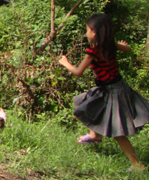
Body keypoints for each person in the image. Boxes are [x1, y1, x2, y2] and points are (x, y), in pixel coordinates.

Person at [58, 13, 149, 171]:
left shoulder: (92, 52)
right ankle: (95, 136)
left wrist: (65, 63)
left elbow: (78, 71)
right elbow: (127, 49)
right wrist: (122, 44)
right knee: (87, 102)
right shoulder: (110, 45)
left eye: (87, 30)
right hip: (114, 86)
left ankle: (137, 165)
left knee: (117, 130)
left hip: (114, 91)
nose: (86, 34)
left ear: (93, 32)